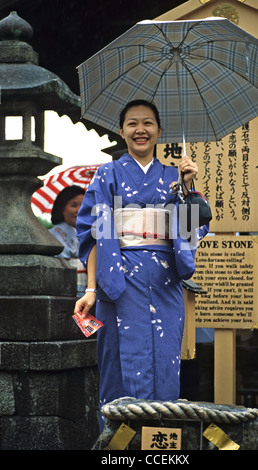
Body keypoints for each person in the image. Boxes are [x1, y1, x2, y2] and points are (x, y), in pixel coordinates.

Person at [74, 99, 209, 431]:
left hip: (165, 282)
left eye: (148, 123)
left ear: (159, 131)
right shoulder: (108, 174)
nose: (140, 130)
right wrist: (92, 288)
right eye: (132, 123)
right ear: (121, 131)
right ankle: (120, 442)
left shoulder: (174, 177)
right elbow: (95, 234)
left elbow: (193, 230)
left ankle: (159, 439)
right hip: (117, 279)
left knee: (165, 359)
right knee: (119, 363)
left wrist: (188, 188)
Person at [49, 185, 87, 297]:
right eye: (74, 205)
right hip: (65, 291)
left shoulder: (92, 233)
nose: (79, 210)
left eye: (84, 205)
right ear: (62, 208)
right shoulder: (53, 235)